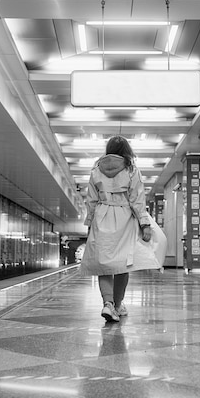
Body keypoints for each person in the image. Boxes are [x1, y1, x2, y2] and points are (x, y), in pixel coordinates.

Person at [79, 135, 152, 322]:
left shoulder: (96, 170)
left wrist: (89, 224)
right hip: (124, 218)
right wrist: (144, 223)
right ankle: (118, 305)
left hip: (101, 217)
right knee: (122, 264)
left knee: (103, 265)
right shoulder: (131, 170)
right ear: (126, 151)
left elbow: (91, 201)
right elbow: (137, 199)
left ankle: (108, 303)